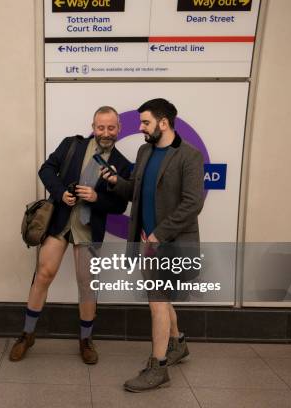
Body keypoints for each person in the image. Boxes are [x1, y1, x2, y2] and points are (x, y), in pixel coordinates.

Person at [9, 106, 131, 365]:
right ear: (93, 126)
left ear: (119, 129)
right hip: (61, 222)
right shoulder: (72, 145)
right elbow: (46, 170)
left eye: (111, 128)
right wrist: (61, 191)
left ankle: (85, 340)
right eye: (101, 127)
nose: (106, 133)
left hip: (89, 228)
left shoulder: (122, 164)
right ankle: (27, 334)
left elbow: (120, 206)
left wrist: (98, 198)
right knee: (43, 274)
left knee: (87, 284)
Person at [102, 98, 205, 392]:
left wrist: (160, 233)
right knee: (159, 298)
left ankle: (157, 367)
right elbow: (134, 190)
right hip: (147, 243)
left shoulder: (190, 156)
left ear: (163, 122)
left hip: (169, 244)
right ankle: (179, 344)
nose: (141, 128)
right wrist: (114, 180)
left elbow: (192, 204)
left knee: (157, 303)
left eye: (146, 122)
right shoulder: (144, 150)